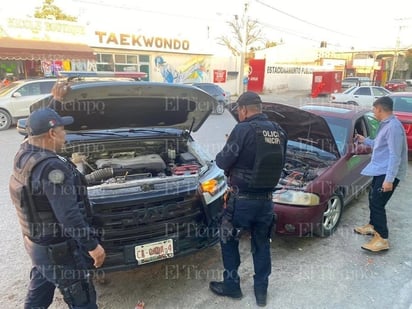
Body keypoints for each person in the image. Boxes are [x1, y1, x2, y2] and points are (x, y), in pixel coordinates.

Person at [9, 82, 106, 309]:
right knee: (83, 300)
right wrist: (93, 246)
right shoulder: (53, 168)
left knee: (40, 292)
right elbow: (69, 215)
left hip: (38, 245)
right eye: (62, 130)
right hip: (60, 251)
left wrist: (56, 102)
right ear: (52, 133)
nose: (65, 134)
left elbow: (37, 126)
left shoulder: (25, 152)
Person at [209, 91, 287, 307]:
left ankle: (232, 286)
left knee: (229, 239)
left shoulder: (242, 129)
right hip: (266, 202)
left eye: (238, 111)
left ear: (243, 109)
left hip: (241, 201)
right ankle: (261, 292)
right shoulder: (279, 131)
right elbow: (282, 162)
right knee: (262, 244)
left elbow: (223, 161)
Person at [354, 96, 408, 252]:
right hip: (380, 169)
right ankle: (372, 226)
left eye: (374, 109)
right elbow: (380, 144)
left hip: (388, 173)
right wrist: (365, 140)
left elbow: (394, 155)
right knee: (373, 198)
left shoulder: (393, 128)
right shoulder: (385, 125)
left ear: (379, 109)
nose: (373, 111)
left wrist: (389, 179)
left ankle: (382, 238)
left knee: (377, 203)